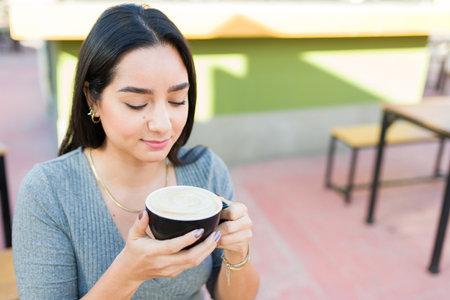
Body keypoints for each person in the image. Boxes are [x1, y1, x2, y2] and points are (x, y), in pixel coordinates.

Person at [12, 3, 260, 299]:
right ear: (93, 98)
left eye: (178, 99)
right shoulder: (48, 193)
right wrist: (129, 272)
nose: (162, 124)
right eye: (137, 104)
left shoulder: (206, 171)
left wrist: (238, 250)